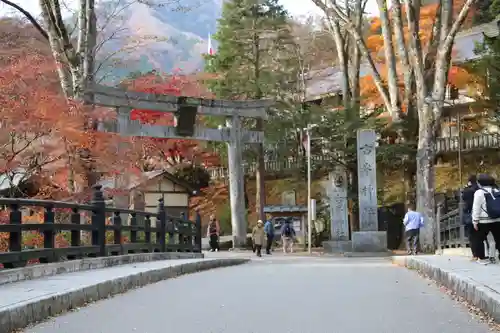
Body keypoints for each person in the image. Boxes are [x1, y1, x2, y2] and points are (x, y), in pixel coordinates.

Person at [472, 174, 500, 264]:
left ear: (480, 183)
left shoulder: (479, 192)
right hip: (496, 219)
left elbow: (476, 208)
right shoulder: (496, 190)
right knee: (498, 239)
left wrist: (475, 221)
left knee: (479, 239)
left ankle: (482, 258)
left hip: (483, 220)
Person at [462, 175, 485, 260]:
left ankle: (475, 255)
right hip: (482, 215)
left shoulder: (467, 190)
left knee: (472, 236)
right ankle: (482, 255)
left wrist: (465, 188)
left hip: (470, 214)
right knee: (480, 237)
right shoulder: (480, 189)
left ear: (469, 181)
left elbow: (464, 199)